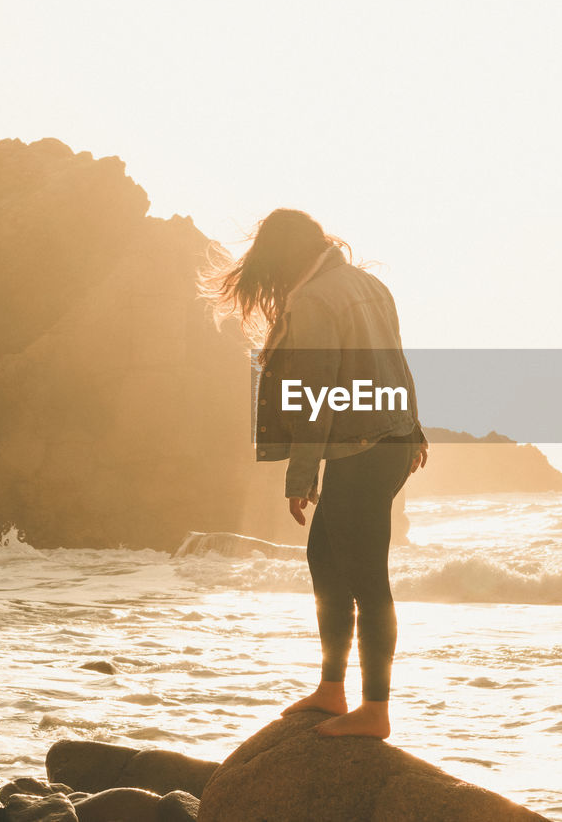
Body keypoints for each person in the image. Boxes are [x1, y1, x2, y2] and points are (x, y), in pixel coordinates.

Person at [197, 208, 427, 739]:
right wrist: (414, 427)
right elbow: (396, 361)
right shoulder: (366, 283)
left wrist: (300, 476)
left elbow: (316, 395)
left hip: (362, 450)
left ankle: (375, 710)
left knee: (366, 576)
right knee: (325, 558)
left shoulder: (314, 299)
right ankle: (332, 689)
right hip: (386, 441)